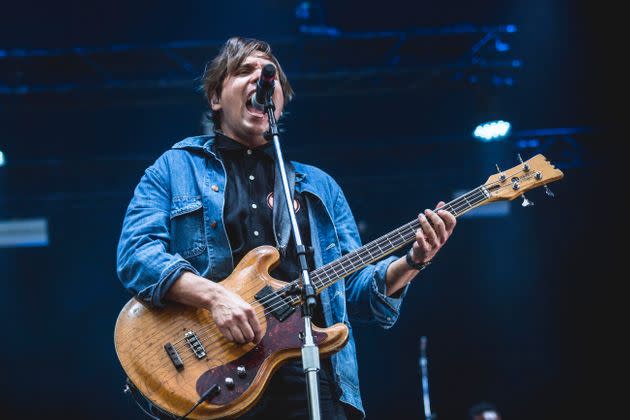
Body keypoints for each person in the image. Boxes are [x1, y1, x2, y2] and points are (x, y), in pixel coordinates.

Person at [116, 36, 457, 419]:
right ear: (215, 98)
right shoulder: (175, 168)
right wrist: (215, 298)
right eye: (244, 71)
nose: (261, 79)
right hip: (214, 376)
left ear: (279, 99)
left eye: (269, 75)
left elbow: (356, 295)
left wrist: (413, 260)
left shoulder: (319, 187)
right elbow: (136, 254)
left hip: (310, 374)